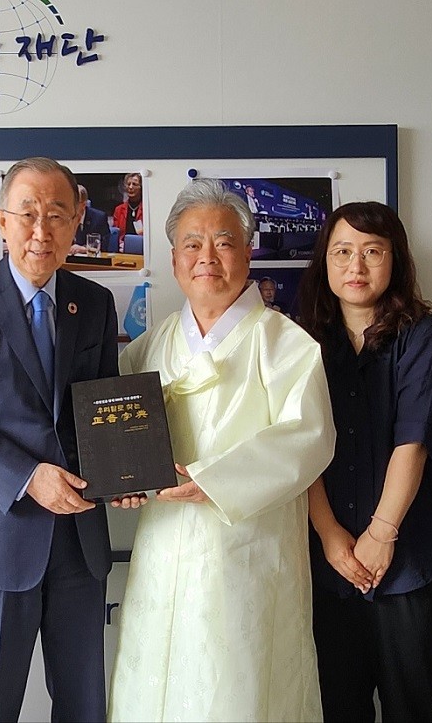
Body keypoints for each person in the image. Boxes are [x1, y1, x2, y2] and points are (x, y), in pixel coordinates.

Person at [108, 179, 333, 722]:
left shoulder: (285, 343)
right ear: (174, 259)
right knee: (156, 685)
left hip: (248, 554)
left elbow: (309, 438)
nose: (207, 257)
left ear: (248, 253)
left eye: (224, 242)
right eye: (192, 243)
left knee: (240, 686)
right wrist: (119, 477)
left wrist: (213, 479)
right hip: (163, 548)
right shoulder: (149, 347)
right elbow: (118, 433)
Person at [0, 157, 120, 722]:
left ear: (76, 221)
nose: (41, 230)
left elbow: (103, 408)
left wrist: (124, 471)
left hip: (79, 541)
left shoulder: (95, 302)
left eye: (57, 214)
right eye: (27, 213)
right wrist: (28, 477)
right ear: (1, 220)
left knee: (84, 705)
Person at [295, 201, 432, 722]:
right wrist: (329, 535)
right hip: (329, 561)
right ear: (324, 261)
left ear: (396, 259)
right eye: (342, 252)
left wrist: (381, 533)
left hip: (409, 559)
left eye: (372, 251)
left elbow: (414, 442)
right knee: (339, 707)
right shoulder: (302, 342)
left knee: (411, 707)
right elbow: (299, 448)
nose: (356, 266)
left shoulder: (422, 336)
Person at [70, 184, 113, 256]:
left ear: (84, 204)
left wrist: (84, 249)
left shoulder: (99, 218)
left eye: (75, 202)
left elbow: (103, 246)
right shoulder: (64, 217)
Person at [110, 172, 144, 249]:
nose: (130, 187)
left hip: (142, 248)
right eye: (128, 184)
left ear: (141, 187)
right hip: (122, 248)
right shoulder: (119, 209)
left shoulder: (146, 209)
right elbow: (115, 234)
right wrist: (120, 243)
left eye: (134, 184)